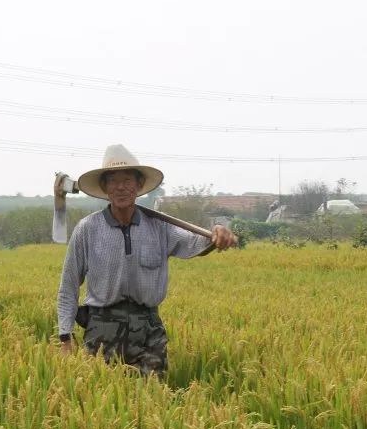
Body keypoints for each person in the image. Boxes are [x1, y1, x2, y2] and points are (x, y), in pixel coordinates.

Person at [56, 144, 237, 377]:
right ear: (105, 187)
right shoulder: (88, 229)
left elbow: (193, 243)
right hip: (102, 328)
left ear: (139, 185)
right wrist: (65, 338)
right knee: (102, 401)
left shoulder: (159, 227)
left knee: (153, 400)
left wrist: (217, 234)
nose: (121, 187)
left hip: (149, 327)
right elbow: (68, 286)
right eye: (113, 180)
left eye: (128, 180)